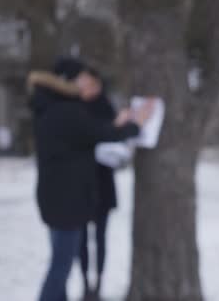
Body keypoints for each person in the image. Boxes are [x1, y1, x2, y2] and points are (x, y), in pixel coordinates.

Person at [28, 57, 153, 301]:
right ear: (68, 82)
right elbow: (102, 132)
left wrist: (114, 125)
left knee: (60, 264)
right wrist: (136, 124)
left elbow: (89, 133)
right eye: (84, 80)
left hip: (56, 200)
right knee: (60, 268)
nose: (89, 85)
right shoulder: (67, 111)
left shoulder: (51, 108)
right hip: (67, 204)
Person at [79, 69, 118, 299]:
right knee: (81, 241)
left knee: (101, 238)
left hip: (103, 183)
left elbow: (115, 139)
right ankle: (85, 283)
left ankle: (99, 283)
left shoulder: (106, 107)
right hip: (81, 185)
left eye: (91, 83)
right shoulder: (74, 108)